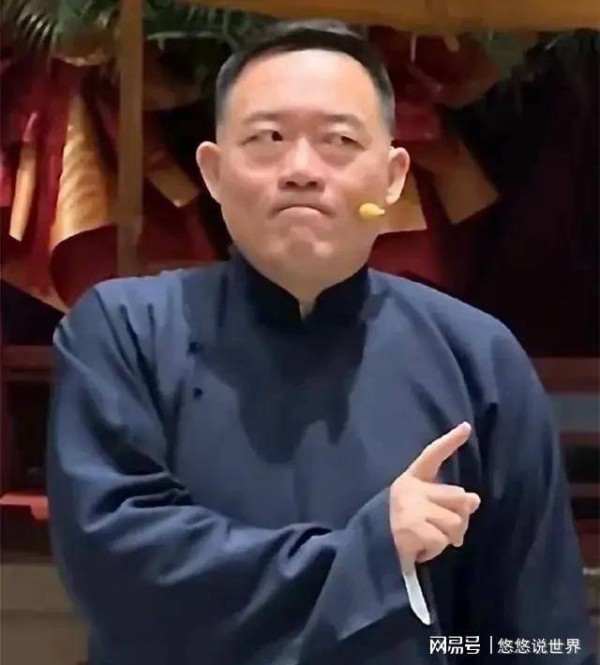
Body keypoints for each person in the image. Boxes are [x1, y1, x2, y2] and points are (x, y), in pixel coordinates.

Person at [47, 20, 595, 665]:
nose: (302, 170)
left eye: (339, 141)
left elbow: (534, 634)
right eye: (268, 139)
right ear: (214, 172)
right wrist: (372, 552)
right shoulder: (123, 331)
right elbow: (119, 571)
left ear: (392, 177)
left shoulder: (477, 358)